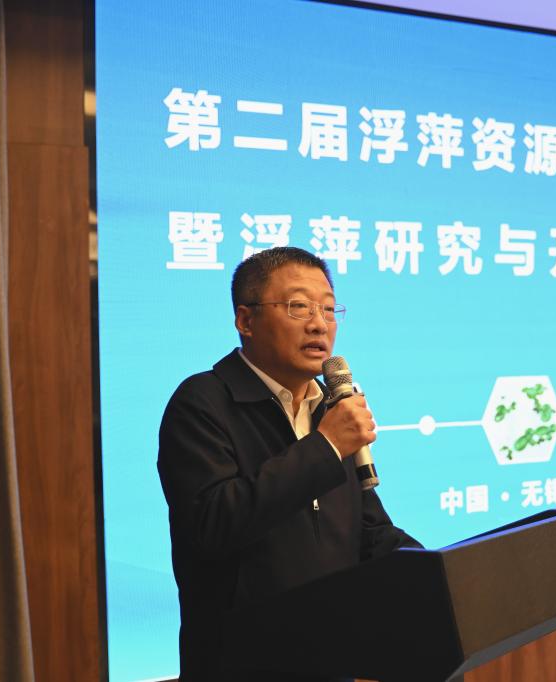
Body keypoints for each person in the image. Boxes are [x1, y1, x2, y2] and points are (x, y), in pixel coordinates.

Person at [158, 247, 419, 681]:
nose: (319, 323)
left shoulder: (329, 408)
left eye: (329, 309)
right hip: (240, 667)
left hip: (330, 661)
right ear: (245, 320)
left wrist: (442, 572)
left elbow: (369, 533)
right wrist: (326, 446)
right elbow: (213, 523)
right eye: (299, 306)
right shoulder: (202, 403)